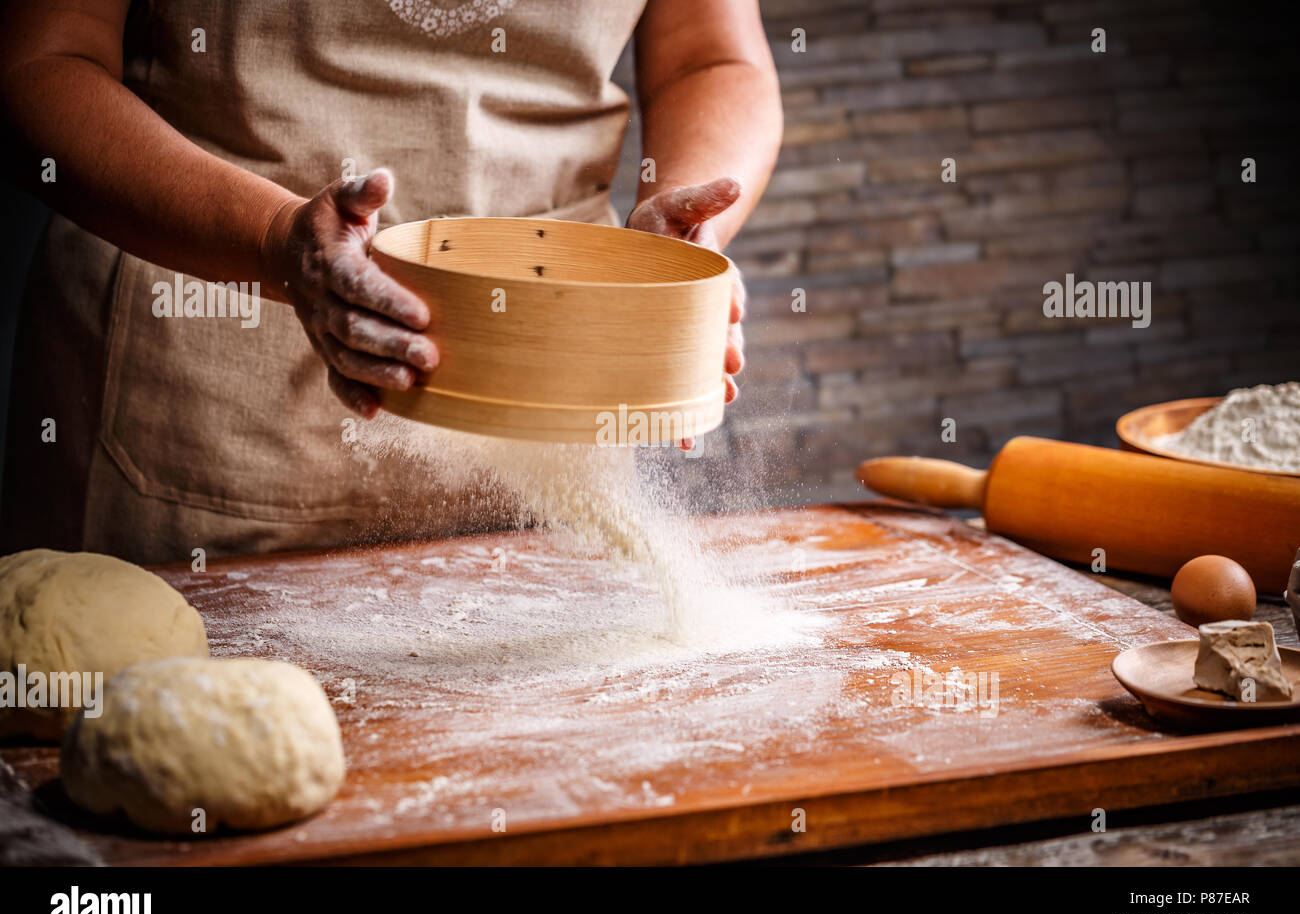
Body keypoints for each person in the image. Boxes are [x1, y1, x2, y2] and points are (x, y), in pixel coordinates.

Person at [0, 0, 782, 564]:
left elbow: (710, 56)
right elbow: (43, 61)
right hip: (200, 404)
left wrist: (681, 248)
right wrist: (277, 243)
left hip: (546, 398)